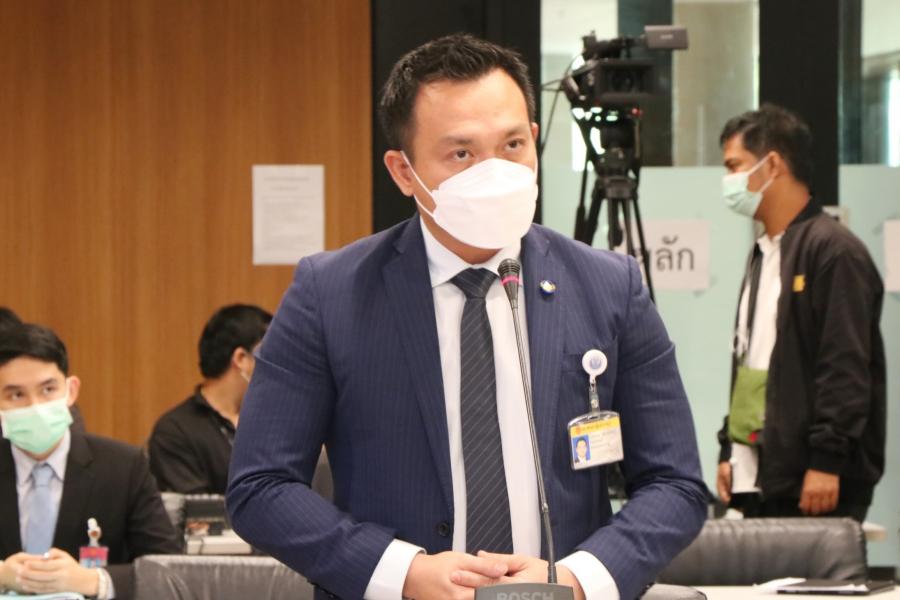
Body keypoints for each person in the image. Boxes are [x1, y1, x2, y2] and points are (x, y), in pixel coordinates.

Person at [227, 34, 707, 600]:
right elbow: (261, 486)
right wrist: (401, 573)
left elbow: (675, 483)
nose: (495, 172)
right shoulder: (329, 293)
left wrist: (579, 579)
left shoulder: (609, 286)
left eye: (512, 145)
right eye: (461, 154)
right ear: (404, 172)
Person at [715, 104, 885, 522]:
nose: (728, 181)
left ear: (772, 164)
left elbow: (844, 365)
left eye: (734, 166)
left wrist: (827, 460)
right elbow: (752, 362)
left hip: (816, 480)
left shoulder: (834, 251)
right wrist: (730, 449)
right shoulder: (763, 251)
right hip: (760, 475)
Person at [0, 323, 180, 599]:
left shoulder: (124, 467)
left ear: (71, 391)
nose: (35, 406)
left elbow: (168, 570)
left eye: (48, 390)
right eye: (16, 395)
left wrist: (94, 580)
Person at [149, 304, 272, 494]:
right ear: (241, 358)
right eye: (270, 354)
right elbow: (196, 508)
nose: (277, 365)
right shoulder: (175, 430)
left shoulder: (273, 420)